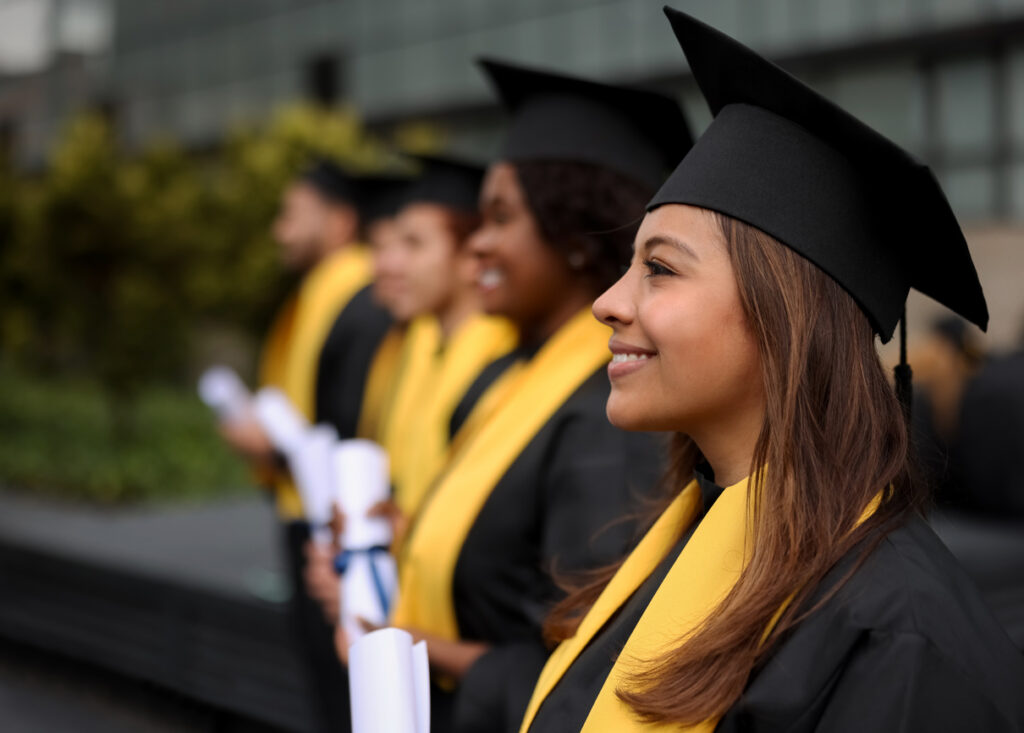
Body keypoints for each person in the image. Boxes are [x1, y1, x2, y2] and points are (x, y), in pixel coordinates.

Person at [519, 10, 1024, 732]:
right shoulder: (685, 537)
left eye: (658, 268)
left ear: (783, 319)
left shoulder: (898, 641)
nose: (606, 302)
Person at [373, 61, 693, 732]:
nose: (476, 245)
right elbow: (502, 559)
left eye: (499, 218)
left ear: (574, 234)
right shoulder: (517, 382)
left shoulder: (611, 416)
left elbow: (589, 665)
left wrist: (410, 649)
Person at [219, 157, 391, 733]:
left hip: (338, 525)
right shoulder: (318, 295)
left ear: (341, 222)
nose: (279, 230)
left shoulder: (362, 300)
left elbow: (354, 429)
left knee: (346, 697)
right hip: (309, 515)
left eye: (292, 215)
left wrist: (273, 448)